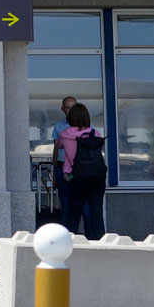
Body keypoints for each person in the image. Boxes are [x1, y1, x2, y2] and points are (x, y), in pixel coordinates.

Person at [58, 103, 107, 240]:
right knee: (96, 213)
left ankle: (70, 241)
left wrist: (66, 171)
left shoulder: (64, 135)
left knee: (74, 213)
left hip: (78, 178)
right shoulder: (95, 133)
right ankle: (100, 242)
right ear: (87, 118)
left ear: (70, 118)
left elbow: (62, 149)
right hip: (97, 178)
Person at [49, 96, 78, 229]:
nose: (70, 111)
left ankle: (89, 237)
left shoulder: (87, 125)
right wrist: (55, 170)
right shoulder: (59, 126)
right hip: (61, 167)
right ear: (63, 109)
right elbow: (56, 148)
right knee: (65, 205)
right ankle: (68, 235)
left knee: (85, 207)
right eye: (67, 108)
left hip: (79, 169)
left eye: (73, 107)